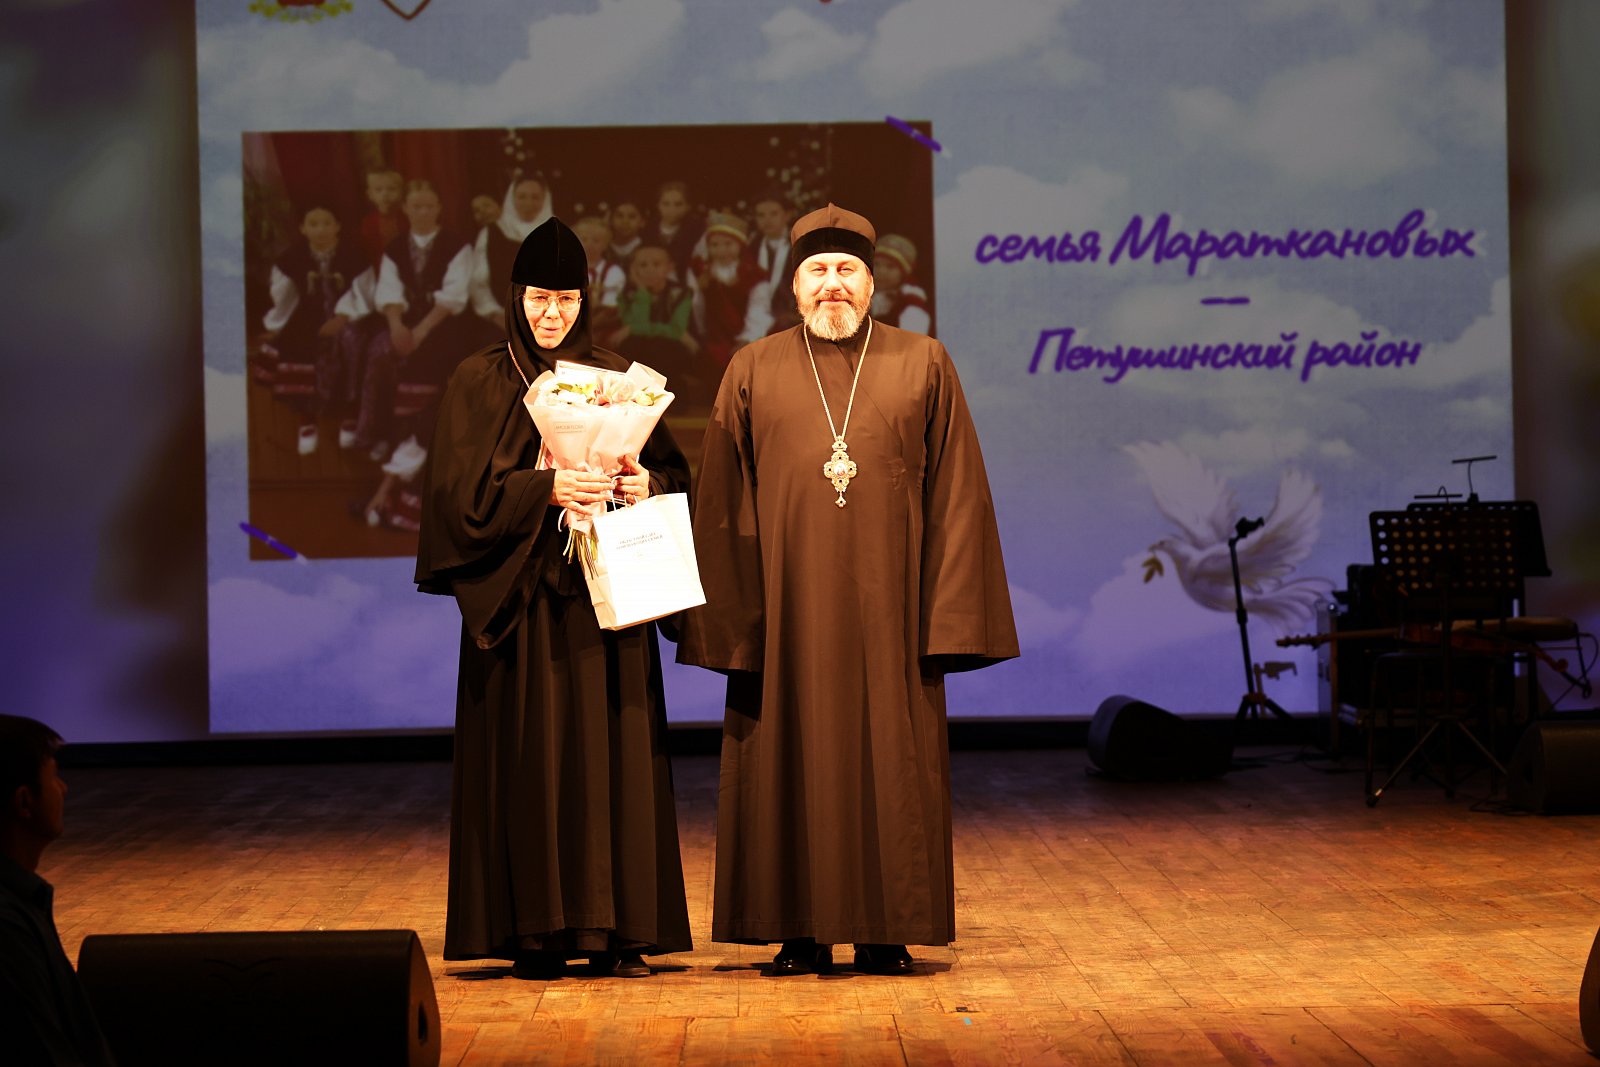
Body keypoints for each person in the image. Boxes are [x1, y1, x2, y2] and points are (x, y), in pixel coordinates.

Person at [678, 203, 1018, 977]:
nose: (833, 284)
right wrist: (732, 618)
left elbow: (958, 495)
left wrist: (945, 617)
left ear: (872, 284)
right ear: (794, 285)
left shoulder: (923, 361)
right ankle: (796, 931)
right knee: (785, 758)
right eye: (817, 270)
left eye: (847, 270)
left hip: (890, 613)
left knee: (890, 761)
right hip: (786, 613)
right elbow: (722, 502)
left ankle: (885, 929)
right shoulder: (752, 367)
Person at [414, 217, 692, 981]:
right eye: (539, 298)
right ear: (516, 297)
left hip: (607, 604)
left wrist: (641, 482)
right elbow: (455, 502)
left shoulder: (617, 379)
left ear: (584, 302)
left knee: (613, 761)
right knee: (532, 763)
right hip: (523, 607)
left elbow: (674, 478)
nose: (552, 314)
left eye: (566, 299)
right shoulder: (479, 380)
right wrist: (545, 488)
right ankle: (534, 935)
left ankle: (618, 931)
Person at [0, 714, 117, 1065]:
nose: (63, 789)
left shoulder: (24, 900)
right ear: (24, 802)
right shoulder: (8, 927)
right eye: (54, 778)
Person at [254, 203, 376, 455]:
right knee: (297, 344)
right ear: (302, 228)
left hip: (347, 315)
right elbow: (285, 298)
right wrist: (276, 325)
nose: (321, 230)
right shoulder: (291, 258)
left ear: (337, 226)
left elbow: (364, 293)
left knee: (351, 343)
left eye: (327, 223)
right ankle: (306, 418)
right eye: (313, 224)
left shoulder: (354, 256)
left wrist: (342, 317)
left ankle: (349, 414)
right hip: (306, 314)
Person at [468, 176, 554, 328]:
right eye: (522, 197)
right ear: (511, 198)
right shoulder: (490, 233)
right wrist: (497, 315)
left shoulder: (558, 235)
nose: (528, 203)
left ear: (545, 200)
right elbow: (478, 283)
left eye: (535, 197)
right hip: (498, 323)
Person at [691, 211, 763, 368]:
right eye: (715, 245)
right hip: (715, 336)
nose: (721, 250)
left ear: (740, 246)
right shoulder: (702, 273)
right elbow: (698, 307)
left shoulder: (753, 275)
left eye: (728, 244)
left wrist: (746, 339)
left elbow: (758, 310)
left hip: (745, 335)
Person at [869, 234, 932, 335]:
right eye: (877, 264)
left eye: (890, 267)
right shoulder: (865, 298)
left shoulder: (912, 307)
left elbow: (912, 342)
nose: (881, 271)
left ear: (903, 273)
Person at [358, 167, 406, 270]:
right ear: (370, 195)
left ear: (401, 193)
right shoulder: (368, 223)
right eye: (378, 190)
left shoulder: (407, 218)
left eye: (391, 189)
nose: (385, 194)